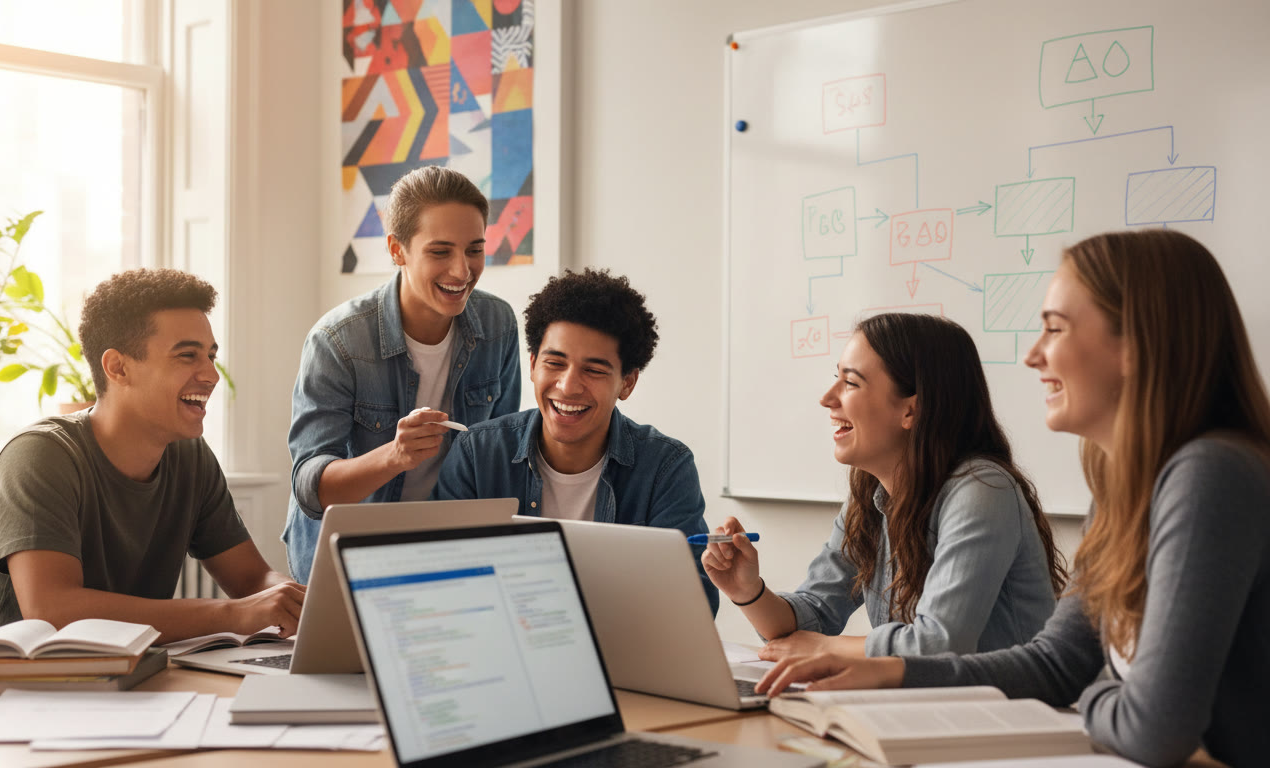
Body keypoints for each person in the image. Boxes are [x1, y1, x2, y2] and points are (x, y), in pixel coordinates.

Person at [756, 230, 1270, 768]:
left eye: (1054, 328)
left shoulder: (1212, 476)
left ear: (1136, 343)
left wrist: (1092, 695)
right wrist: (893, 671)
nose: (1032, 356)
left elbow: (1154, 730)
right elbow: (1054, 665)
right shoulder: (1124, 490)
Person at [0, 269, 304, 647]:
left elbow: (251, 580)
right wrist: (235, 614)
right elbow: (53, 610)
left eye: (211, 356)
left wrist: (292, 598)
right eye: (187, 356)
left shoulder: (190, 459)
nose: (211, 375)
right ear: (118, 367)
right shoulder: (40, 456)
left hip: (120, 680)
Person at [705, 313, 1066, 659]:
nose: (827, 398)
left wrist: (825, 647)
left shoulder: (982, 491)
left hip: (1004, 715)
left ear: (911, 410)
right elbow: (812, 615)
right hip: (920, 710)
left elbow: (938, 643)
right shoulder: (870, 496)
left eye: (850, 383)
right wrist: (747, 590)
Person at [283, 166, 520, 583]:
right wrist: (395, 455)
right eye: (440, 251)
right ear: (397, 249)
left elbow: (498, 456)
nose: (462, 271)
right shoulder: (337, 341)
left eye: (475, 250)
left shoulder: (497, 325)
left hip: (446, 553)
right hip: (345, 560)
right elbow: (311, 487)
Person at [432, 268, 718, 613]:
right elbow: (444, 583)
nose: (568, 386)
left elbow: (694, 603)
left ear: (627, 383)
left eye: (594, 370)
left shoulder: (664, 467)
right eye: (555, 362)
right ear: (534, 365)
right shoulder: (477, 454)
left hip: (619, 658)